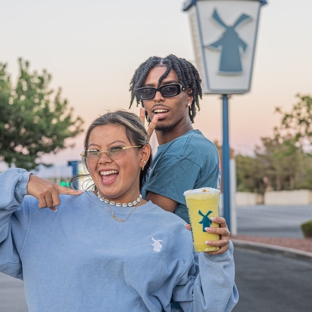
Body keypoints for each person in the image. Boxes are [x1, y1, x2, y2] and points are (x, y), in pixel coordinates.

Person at [0, 110, 238, 311]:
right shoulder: (46, 212)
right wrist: (21, 182)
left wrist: (217, 256)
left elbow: (207, 306)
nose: (103, 159)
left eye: (116, 148)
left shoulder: (173, 231)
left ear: (143, 155)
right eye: (93, 151)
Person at [129, 54, 228, 254]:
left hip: (178, 277)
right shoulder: (171, 149)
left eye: (169, 89)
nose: (157, 97)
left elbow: (143, 221)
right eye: (148, 91)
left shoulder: (185, 150)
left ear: (189, 95)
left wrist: (129, 157)